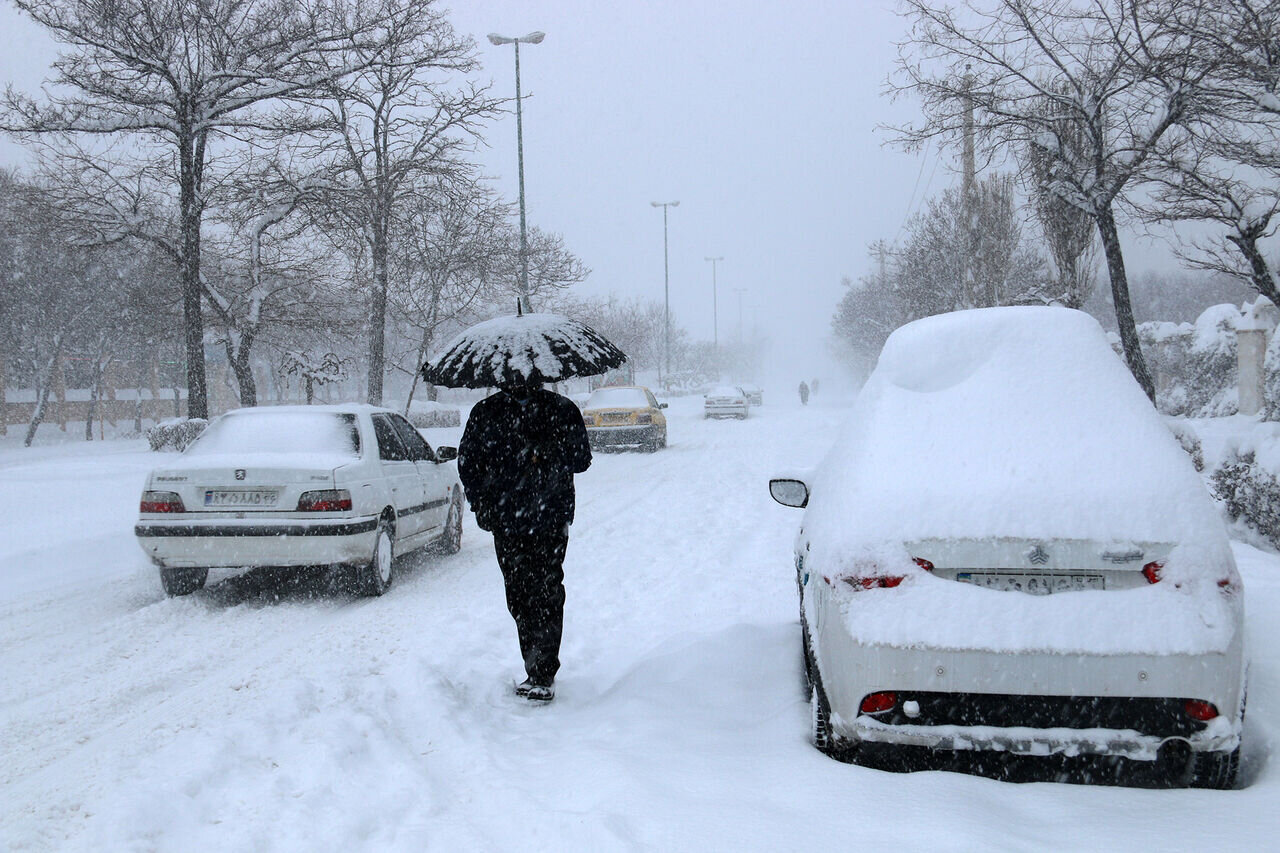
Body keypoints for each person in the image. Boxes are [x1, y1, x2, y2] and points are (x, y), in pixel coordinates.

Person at [457, 380, 592, 702]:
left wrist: (547, 447)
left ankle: (543, 671)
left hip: (550, 516)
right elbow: (468, 464)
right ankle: (534, 664)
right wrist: (482, 504)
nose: (519, 381)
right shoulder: (486, 412)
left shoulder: (560, 409)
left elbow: (581, 460)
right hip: (507, 519)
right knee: (518, 593)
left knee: (546, 590)